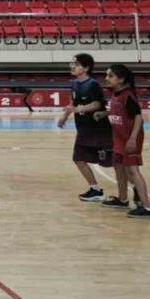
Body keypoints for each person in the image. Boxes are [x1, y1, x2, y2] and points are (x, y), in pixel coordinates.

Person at [56, 53, 114, 203]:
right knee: (78, 158)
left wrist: (80, 108)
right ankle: (95, 190)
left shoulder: (93, 84)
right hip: (83, 130)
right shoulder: (74, 84)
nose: (72, 66)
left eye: (76, 64)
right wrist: (64, 117)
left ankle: (135, 189)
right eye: (72, 64)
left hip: (99, 130)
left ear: (86, 68)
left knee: (115, 163)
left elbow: (97, 104)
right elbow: (73, 103)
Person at [105, 64, 150, 218]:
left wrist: (133, 138)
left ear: (121, 79)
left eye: (110, 76)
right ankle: (122, 199)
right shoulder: (115, 94)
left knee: (133, 171)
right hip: (118, 138)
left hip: (129, 139)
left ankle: (147, 208)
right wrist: (103, 114)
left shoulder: (128, 96)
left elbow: (138, 117)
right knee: (118, 168)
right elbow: (118, 112)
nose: (106, 78)